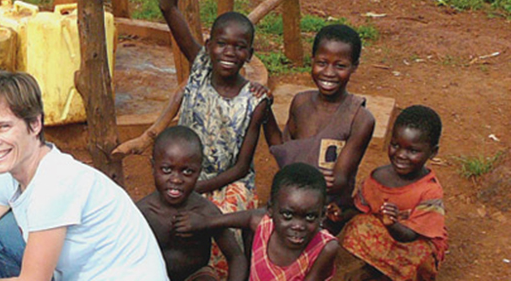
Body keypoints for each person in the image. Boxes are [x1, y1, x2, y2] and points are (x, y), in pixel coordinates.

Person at [113, 0, 269, 273]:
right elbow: (167, 5)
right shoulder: (200, 65)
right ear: (209, 45)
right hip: (182, 164)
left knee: (219, 220)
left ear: (249, 54)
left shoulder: (252, 101)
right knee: (161, 221)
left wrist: (195, 191)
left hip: (225, 182)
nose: (229, 53)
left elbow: (241, 168)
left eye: (239, 48)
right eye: (221, 45)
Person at [0, 72, 168, 281]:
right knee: (6, 231)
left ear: (35, 124)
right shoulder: (9, 172)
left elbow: (33, 280)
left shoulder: (55, 183)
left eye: (3, 127)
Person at [264, 24, 375, 233]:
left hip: (326, 208)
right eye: (322, 63)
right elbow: (284, 152)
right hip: (291, 199)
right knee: (258, 229)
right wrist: (265, 110)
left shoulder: (360, 118)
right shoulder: (300, 102)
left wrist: (302, 177)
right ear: (312, 60)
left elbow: (339, 181)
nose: (329, 73)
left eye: (340, 65)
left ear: (354, 66)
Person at [177, 163, 340, 281]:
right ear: (270, 209)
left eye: (310, 217)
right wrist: (205, 222)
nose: (298, 226)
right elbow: (247, 217)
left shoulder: (325, 248)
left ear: (323, 215)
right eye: (287, 215)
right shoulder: (264, 224)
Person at [338, 105, 446, 281]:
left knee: (421, 258)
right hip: (389, 235)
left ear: (433, 152)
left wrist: (392, 224)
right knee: (357, 226)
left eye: (412, 150)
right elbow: (360, 209)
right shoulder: (378, 177)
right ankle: (377, 269)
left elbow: (410, 236)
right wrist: (341, 215)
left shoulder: (430, 191)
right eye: (396, 145)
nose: (401, 155)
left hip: (413, 244)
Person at [137, 126, 248, 281]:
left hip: (195, 275)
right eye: (167, 169)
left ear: (199, 171)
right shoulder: (141, 213)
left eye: (187, 171)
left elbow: (236, 257)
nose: (176, 179)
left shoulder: (205, 211)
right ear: (153, 167)